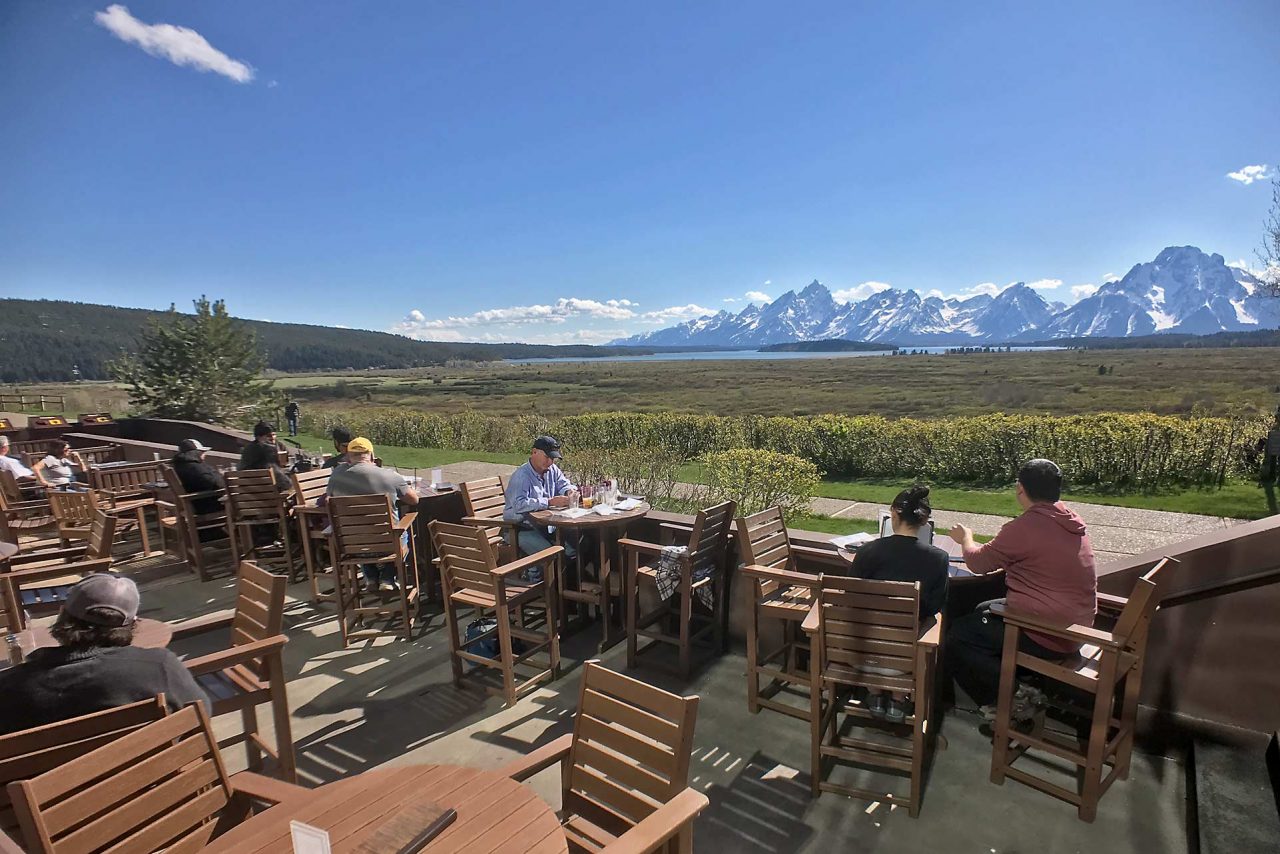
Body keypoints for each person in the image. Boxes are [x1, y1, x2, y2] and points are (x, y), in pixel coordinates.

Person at [945, 459, 1097, 720]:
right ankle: (1011, 687)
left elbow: (978, 562)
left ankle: (1014, 696)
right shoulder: (1070, 520)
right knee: (982, 610)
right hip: (1077, 627)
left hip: (1048, 634)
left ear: (1019, 488)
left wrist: (966, 538)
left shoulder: (1025, 527)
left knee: (958, 636)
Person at [0, 574, 209, 734]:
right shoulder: (159, 667)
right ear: (132, 625)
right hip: (151, 783)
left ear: (62, 614)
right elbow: (202, 715)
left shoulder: (9, 686)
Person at [847, 484, 950, 721]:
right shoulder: (938, 559)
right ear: (925, 522)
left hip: (859, 656)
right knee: (929, 620)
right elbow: (934, 606)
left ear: (893, 513)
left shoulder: (867, 552)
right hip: (904, 661)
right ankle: (898, 698)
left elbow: (851, 597)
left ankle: (874, 693)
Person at [327, 437, 418, 591]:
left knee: (361, 531)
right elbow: (414, 500)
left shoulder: (336, 476)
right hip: (388, 545)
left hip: (351, 545)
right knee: (400, 530)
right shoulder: (388, 475)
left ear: (348, 456)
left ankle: (370, 577)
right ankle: (388, 578)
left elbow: (329, 496)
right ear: (371, 454)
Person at [503, 436, 581, 561]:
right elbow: (519, 505)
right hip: (519, 528)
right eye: (547, 457)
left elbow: (564, 484)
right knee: (551, 555)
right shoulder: (522, 476)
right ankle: (533, 576)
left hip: (544, 525)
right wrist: (549, 502)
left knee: (575, 546)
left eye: (553, 458)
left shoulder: (552, 469)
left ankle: (564, 579)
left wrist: (569, 491)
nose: (550, 462)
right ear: (534, 452)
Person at [170, 438, 226, 518]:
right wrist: (220, 476)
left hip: (194, 504)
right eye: (202, 452)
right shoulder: (195, 467)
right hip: (206, 505)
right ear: (196, 453)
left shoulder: (180, 465)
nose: (204, 454)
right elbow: (216, 484)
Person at [238, 421, 290, 490]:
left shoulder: (279, 445)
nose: (272, 438)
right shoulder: (255, 449)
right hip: (261, 487)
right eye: (268, 436)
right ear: (258, 437)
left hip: (252, 490)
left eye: (274, 434)